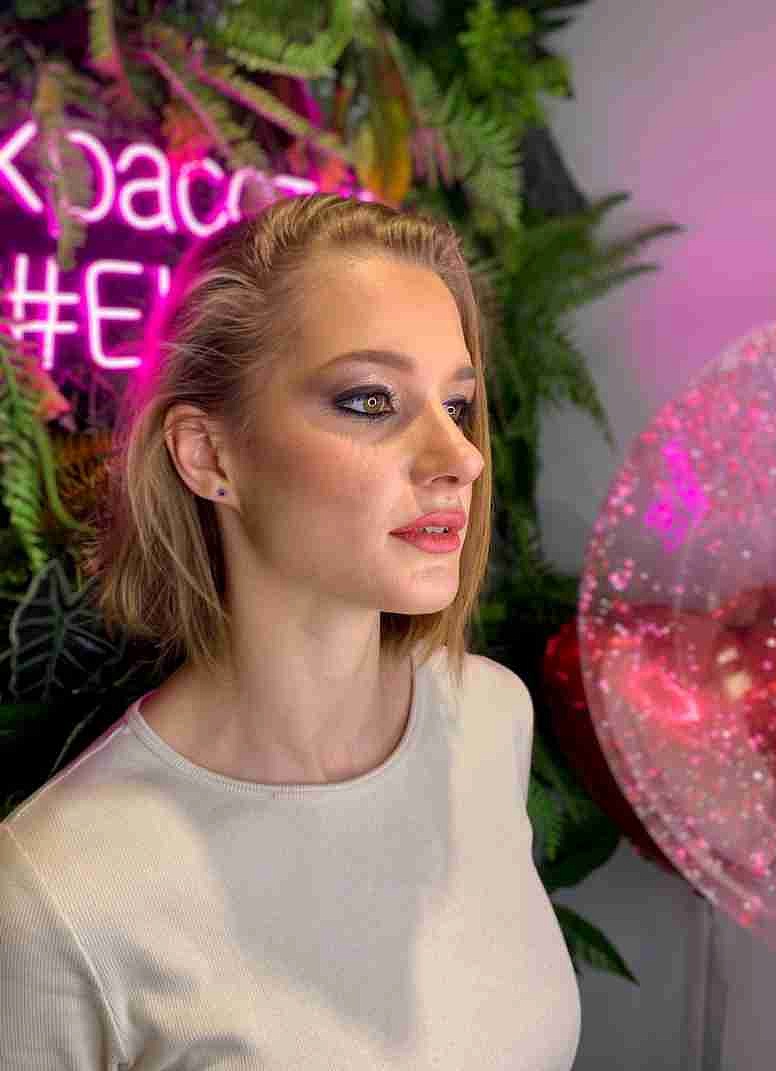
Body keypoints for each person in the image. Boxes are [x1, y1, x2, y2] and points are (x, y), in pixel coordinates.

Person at [0, 193, 581, 1068]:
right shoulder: (59, 894)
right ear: (209, 455)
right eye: (371, 400)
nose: (461, 457)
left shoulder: (489, 717)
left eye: (458, 405)